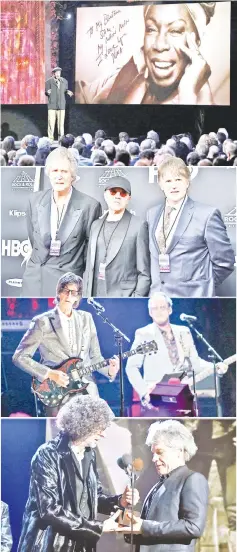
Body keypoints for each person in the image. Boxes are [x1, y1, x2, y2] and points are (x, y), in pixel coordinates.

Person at [17, 394, 140, 552]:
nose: (103, 434)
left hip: (80, 544)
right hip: (51, 545)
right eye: (99, 428)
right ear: (82, 425)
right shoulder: (48, 454)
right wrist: (99, 527)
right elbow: (49, 510)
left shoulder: (89, 453)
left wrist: (119, 501)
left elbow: (94, 497)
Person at [13, 272, 119, 416]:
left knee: (106, 423)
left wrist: (110, 370)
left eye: (74, 292)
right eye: (66, 291)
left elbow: (95, 357)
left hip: (87, 389)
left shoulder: (86, 318)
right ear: (58, 292)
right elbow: (19, 357)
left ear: (78, 296)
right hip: (57, 392)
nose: (69, 296)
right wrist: (49, 373)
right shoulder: (42, 321)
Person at [78, 3, 216, 105]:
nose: (159, 45)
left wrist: (188, 93)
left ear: (197, 40)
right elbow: (81, 95)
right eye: (151, 29)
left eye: (175, 31)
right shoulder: (127, 75)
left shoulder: (201, 100)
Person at [125, 292, 228, 412]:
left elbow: (195, 363)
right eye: (154, 308)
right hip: (157, 399)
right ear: (150, 313)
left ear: (169, 310)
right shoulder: (143, 334)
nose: (158, 311)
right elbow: (131, 367)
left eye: (162, 307)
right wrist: (144, 393)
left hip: (183, 395)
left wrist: (215, 367)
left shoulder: (184, 331)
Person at [147, 157, 235, 297]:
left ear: (187, 181)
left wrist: (202, 286)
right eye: (168, 181)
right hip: (158, 300)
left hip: (193, 300)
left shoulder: (207, 215)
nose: (173, 185)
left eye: (178, 180)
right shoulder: (152, 214)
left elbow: (225, 262)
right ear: (160, 184)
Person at [21, 147, 101, 297]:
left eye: (64, 171)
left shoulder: (90, 206)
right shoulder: (34, 201)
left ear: (72, 176)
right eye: (55, 171)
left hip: (67, 284)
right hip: (34, 282)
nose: (59, 176)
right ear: (49, 174)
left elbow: (90, 254)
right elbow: (34, 240)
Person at [119, 419, 209, 552]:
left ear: (179, 451)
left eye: (160, 452)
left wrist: (144, 527)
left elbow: (193, 526)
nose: (154, 459)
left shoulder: (193, 479)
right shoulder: (160, 483)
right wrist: (128, 524)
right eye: (153, 453)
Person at [83, 176, 150, 297]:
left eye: (123, 193)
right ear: (105, 194)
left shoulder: (138, 225)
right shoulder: (95, 225)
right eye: (113, 192)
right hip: (94, 296)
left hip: (124, 298)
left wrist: (135, 299)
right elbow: (89, 267)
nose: (117, 196)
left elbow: (144, 272)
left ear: (128, 198)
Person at [45, 67, 73, 141]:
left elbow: (65, 90)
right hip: (52, 106)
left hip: (61, 106)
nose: (58, 74)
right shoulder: (48, 81)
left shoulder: (64, 81)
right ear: (53, 73)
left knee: (61, 124)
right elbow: (46, 92)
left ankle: (61, 139)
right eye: (56, 73)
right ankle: (50, 138)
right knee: (51, 124)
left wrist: (68, 92)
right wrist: (47, 92)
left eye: (59, 73)